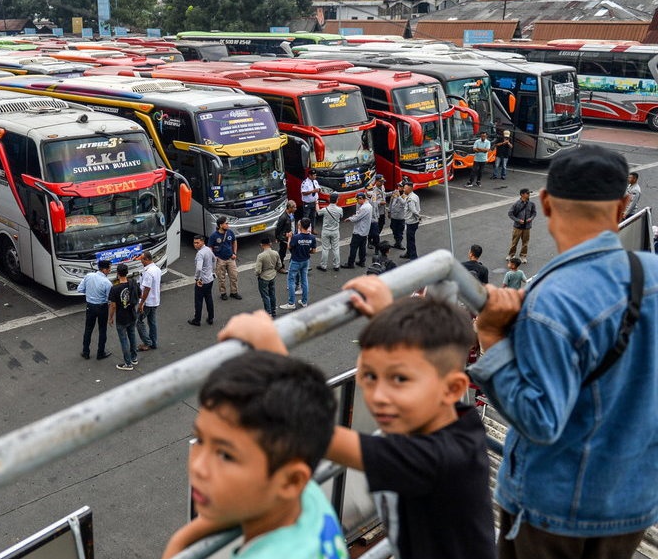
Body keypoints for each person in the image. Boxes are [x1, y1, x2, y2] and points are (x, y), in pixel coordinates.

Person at [471, 145, 658, 559]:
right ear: (623, 205)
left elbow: (540, 420)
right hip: (634, 500)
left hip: (554, 510)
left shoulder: (551, 301)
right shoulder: (653, 277)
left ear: (546, 204)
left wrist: (491, 337)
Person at [321, 278, 494, 559]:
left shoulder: (430, 459)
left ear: (452, 389)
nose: (378, 396)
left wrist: (270, 352)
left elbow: (313, 432)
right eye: (369, 376)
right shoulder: (460, 424)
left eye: (399, 379)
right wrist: (386, 318)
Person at [161, 320, 347, 559]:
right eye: (199, 440)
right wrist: (182, 539)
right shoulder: (306, 498)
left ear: (291, 481)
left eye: (225, 455)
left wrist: (174, 550)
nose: (198, 467)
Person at [77, 259, 112, 360]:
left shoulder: (89, 276)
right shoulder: (107, 283)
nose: (110, 270)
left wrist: (90, 294)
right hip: (102, 307)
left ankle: (85, 352)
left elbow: (80, 289)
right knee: (102, 330)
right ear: (105, 269)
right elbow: (109, 299)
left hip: (90, 306)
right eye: (109, 268)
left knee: (88, 329)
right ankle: (100, 353)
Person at [279, 218, 317, 311]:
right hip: (306, 261)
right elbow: (314, 251)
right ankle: (304, 301)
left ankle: (291, 303)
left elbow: (289, 246)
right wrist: (307, 251)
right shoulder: (312, 238)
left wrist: (289, 238)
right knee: (304, 280)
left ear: (300, 226)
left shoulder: (296, 237)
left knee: (291, 280)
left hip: (296, 261)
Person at [107, 263, 139, 371]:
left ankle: (128, 363)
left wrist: (110, 317)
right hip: (132, 314)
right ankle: (134, 358)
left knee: (124, 340)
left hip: (121, 317)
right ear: (127, 272)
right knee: (132, 336)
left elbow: (113, 306)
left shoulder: (115, 288)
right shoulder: (133, 283)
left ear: (117, 274)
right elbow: (139, 294)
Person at [208, 217, 240, 300]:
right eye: (226, 223)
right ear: (221, 225)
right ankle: (223, 293)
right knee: (221, 278)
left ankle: (234, 292)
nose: (228, 225)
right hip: (220, 260)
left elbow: (234, 241)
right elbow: (210, 247)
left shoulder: (230, 232)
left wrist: (234, 253)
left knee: (234, 276)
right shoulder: (214, 236)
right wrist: (214, 258)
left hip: (230, 258)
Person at [135, 250, 161, 352]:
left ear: (146, 259)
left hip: (148, 302)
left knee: (138, 321)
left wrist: (141, 303)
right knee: (152, 322)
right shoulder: (156, 269)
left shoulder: (149, 272)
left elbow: (146, 289)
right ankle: (153, 343)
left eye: (141, 259)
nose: (140, 261)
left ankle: (147, 343)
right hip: (155, 300)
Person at [188, 235, 216, 326]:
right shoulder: (208, 249)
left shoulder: (200, 254)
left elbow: (199, 268)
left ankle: (197, 320)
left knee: (198, 301)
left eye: (197, 242)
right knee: (209, 298)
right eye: (194, 242)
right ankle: (211, 318)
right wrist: (212, 271)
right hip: (210, 279)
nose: (195, 244)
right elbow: (214, 259)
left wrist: (197, 279)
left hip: (202, 281)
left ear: (203, 242)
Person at [342, 192, 372, 269]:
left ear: (362, 199)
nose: (357, 201)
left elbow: (357, 218)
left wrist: (349, 218)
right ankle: (362, 261)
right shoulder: (368, 206)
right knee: (362, 247)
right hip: (365, 231)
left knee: (353, 247)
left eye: (357, 199)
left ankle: (350, 263)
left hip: (359, 231)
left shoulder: (364, 208)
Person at [507, 188, 536, 264]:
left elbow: (534, 213)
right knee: (514, 242)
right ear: (522, 194)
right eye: (527, 193)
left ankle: (523, 256)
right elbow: (510, 213)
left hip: (527, 227)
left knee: (525, 243)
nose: (529, 195)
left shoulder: (531, 204)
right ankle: (511, 255)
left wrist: (531, 218)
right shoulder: (516, 204)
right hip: (517, 227)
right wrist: (518, 220)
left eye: (529, 193)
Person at [316, 192, 342, 272]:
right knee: (336, 248)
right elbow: (341, 216)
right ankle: (336, 265)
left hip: (326, 231)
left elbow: (318, 212)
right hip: (335, 231)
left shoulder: (325, 209)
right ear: (336, 200)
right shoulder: (340, 209)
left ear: (329, 200)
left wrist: (317, 203)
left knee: (325, 249)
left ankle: (323, 266)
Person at [255, 237, 280, 318]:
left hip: (264, 277)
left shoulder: (260, 256)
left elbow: (258, 270)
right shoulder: (275, 253)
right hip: (272, 275)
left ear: (261, 245)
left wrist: (257, 274)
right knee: (272, 293)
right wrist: (274, 270)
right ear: (270, 244)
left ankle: (268, 313)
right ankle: (273, 311)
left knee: (265, 296)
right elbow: (279, 265)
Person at [273, 200, 297, 273]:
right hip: (284, 238)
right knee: (282, 253)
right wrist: (277, 237)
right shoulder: (283, 217)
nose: (296, 209)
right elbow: (278, 228)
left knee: (294, 252)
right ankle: (280, 267)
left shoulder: (292, 214)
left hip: (292, 236)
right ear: (289, 208)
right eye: (294, 207)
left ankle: (293, 266)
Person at [400, 182, 421, 260]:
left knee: (411, 240)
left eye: (405, 188)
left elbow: (413, 210)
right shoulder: (414, 196)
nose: (403, 189)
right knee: (409, 239)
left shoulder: (411, 199)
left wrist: (418, 217)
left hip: (411, 222)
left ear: (409, 188)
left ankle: (413, 257)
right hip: (411, 221)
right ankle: (409, 253)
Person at [366, 175, 387, 249]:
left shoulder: (383, 187)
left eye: (383, 182)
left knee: (381, 225)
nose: (382, 183)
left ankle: (375, 240)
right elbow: (373, 203)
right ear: (376, 181)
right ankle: (370, 241)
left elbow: (384, 195)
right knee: (374, 228)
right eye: (380, 182)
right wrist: (380, 203)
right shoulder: (373, 190)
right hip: (376, 212)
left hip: (382, 211)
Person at [387, 184, 407, 250]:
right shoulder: (395, 193)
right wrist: (389, 211)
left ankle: (399, 243)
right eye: (398, 186)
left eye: (400, 187)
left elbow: (404, 203)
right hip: (394, 216)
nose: (399, 188)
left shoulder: (405, 195)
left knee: (400, 231)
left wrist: (398, 196)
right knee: (394, 229)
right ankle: (396, 242)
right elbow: (391, 202)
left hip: (401, 217)